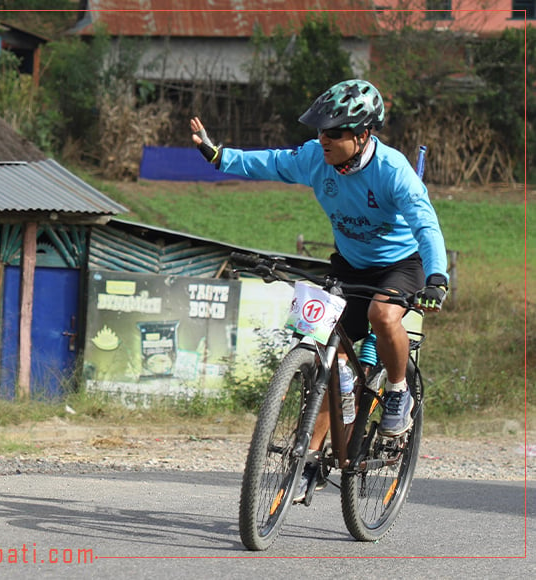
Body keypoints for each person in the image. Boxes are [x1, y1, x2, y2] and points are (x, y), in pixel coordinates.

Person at [189, 79, 448, 500]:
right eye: (320, 131)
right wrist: (219, 156)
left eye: (334, 132)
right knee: (331, 360)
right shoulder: (316, 159)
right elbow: (271, 162)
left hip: (402, 265)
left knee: (382, 316)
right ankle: (309, 460)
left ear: (363, 134)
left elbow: (426, 225)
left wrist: (438, 278)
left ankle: (398, 392)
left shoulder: (393, 171)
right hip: (349, 264)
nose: (322, 139)